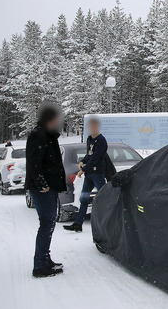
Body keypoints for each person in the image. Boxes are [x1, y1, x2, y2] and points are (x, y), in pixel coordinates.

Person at [25, 104, 67, 278]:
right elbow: (34, 163)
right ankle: (40, 264)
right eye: (56, 119)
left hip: (47, 187)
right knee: (47, 224)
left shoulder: (46, 135)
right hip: (42, 189)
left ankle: (44, 259)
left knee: (48, 224)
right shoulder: (39, 135)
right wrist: (42, 184)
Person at [64, 117, 107, 233]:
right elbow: (89, 155)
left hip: (98, 174)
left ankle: (106, 224)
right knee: (83, 199)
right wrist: (82, 161)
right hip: (89, 175)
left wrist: (84, 169)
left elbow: (96, 158)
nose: (92, 128)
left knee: (104, 198)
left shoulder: (101, 141)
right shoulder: (89, 139)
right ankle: (78, 224)